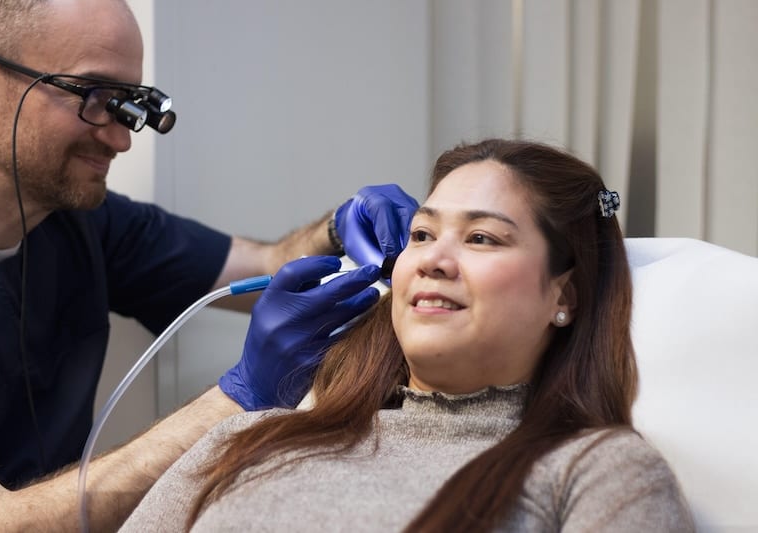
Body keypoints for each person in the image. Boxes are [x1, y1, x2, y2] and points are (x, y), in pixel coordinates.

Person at [0, 0, 418, 531]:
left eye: (128, 105)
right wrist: (238, 397)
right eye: (93, 97)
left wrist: (338, 229)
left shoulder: (87, 224)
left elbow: (268, 265)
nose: (121, 138)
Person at [121, 138, 696, 533]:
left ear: (564, 296)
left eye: (482, 239)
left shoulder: (597, 471)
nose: (433, 260)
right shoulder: (245, 441)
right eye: (421, 234)